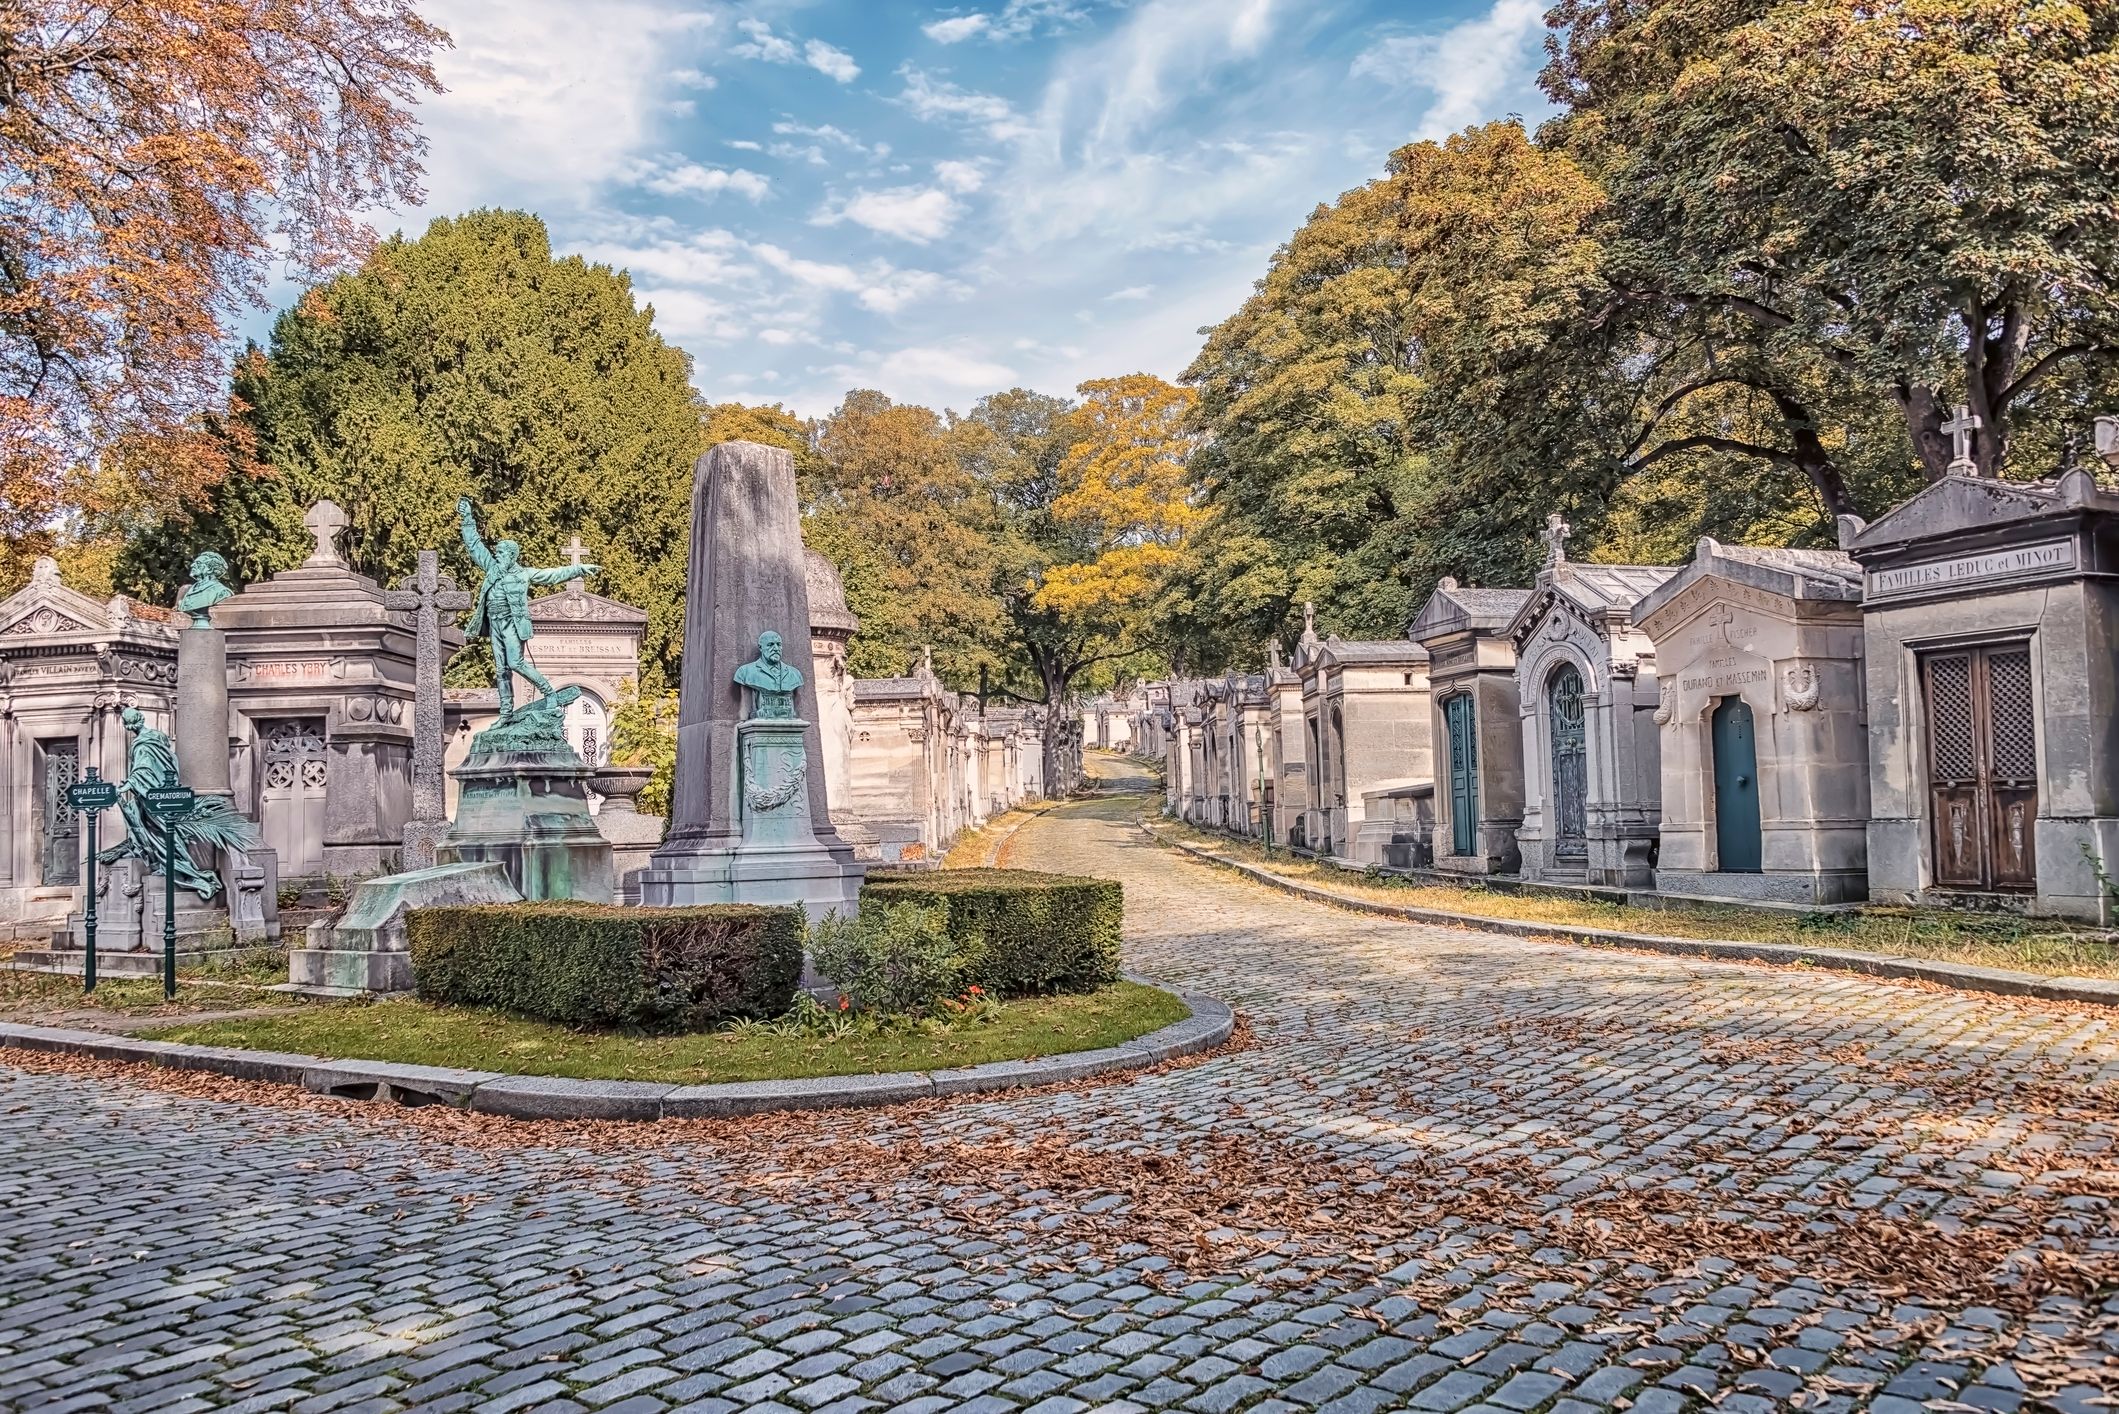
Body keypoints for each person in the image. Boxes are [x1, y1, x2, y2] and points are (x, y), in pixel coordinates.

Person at [98, 706, 258, 899]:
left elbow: (143, 770)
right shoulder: (158, 736)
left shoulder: (141, 744)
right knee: (163, 832)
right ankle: (172, 865)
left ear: (128, 725)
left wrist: (127, 785)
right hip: (165, 792)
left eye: (126, 724)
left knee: (162, 832)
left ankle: (186, 871)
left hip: (153, 797)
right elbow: (168, 761)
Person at [458, 498, 599, 716]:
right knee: (501, 670)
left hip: (512, 623)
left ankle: (548, 692)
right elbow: (474, 544)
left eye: (502, 552)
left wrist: (578, 569)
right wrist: (467, 517)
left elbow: (553, 575)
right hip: (494, 623)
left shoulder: (524, 574)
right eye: (498, 552)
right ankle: (505, 714)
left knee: (515, 663)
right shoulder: (491, 568)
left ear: (512, 555)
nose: (497, 554)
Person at [733, 630, 803, 719]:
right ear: (761, 647)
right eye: (770, 645)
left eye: (779, 644)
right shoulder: (745, 672)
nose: (776, 649)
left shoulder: (794, 674)